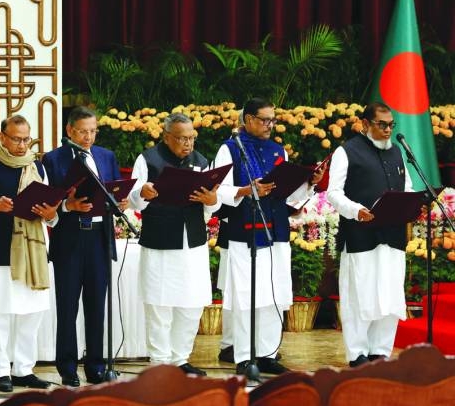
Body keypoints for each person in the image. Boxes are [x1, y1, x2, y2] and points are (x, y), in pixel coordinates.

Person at [214, 98, 322, 376]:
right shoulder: (230, 149)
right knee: (246, 296)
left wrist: (309, 183)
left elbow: (288, 193)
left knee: (274, 292)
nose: (270, 125)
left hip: (276, 229)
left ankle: (267, 354)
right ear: (248, 119)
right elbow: (218, 190)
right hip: (243, 231)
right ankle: (244, 356)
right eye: (264, 120)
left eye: (273, 120)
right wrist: (246, 190)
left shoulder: (278, 150)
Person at [0, 115, 57, 392]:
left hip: (35, 250)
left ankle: (23, 369)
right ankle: (0, 371)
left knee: (32, 313)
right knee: (0, 315)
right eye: (16, 139)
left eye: (26, 139)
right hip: (0, 249)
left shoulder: (37, 167)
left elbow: (51, 211)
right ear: (2, 137)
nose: (22, 145)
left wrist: (50, 213)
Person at [128, 112, 218, 376]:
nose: (188, 143)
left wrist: (211, 200)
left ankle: (180, 359)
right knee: (159, 306)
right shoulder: (148, 159)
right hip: (160, 241)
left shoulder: (201, 161)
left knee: (191, 304)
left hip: (192, 241)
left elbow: (212, 205)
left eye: (191, 138)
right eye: (181, 138)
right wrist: (142, 193)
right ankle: (160, 361)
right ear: (166, 137)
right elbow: (133, 199)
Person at [42, 106, 126, 387]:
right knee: (67, 307)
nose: (88, 137)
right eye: (82, 132)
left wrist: (120, 201)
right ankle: (67, 367)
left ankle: (96, 365)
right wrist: (68, 206)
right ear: (69, 131)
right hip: (70, 238)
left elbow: (114, 189)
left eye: (93, 131)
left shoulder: (106, 156)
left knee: (96, 306)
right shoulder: (53, 159)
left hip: (99, 238)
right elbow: (48, 202)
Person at [326, 102, 411, 367]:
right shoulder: (346, 151)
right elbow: (333, 193)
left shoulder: (397, 151)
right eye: (381, 124)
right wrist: (356, 210)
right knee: (359, 295)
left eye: (391, 125)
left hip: (392, 235)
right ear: (365, 124)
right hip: (360, 235)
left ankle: (380, 352)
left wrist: (414, 204)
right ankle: (358, 354)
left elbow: (407, 187)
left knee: (389, 294)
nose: (388, 130)